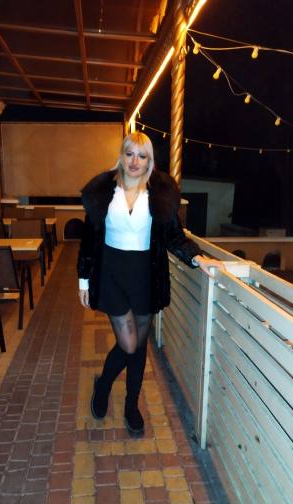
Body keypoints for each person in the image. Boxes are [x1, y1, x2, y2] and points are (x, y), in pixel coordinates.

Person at [77, 131, 223, 436]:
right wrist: (83, 279)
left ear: (149, 160)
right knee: (128, 343)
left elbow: (174, 236)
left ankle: (131, 405)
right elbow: (89, 239)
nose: (135, 161)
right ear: (122, 155)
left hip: (145, 273)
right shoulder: (102, 190)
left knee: (139, 345)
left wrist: (198, 258)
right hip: (112, 273)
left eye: (141, 156)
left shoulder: (160, 193)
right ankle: (103, 385)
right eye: (130, 154)